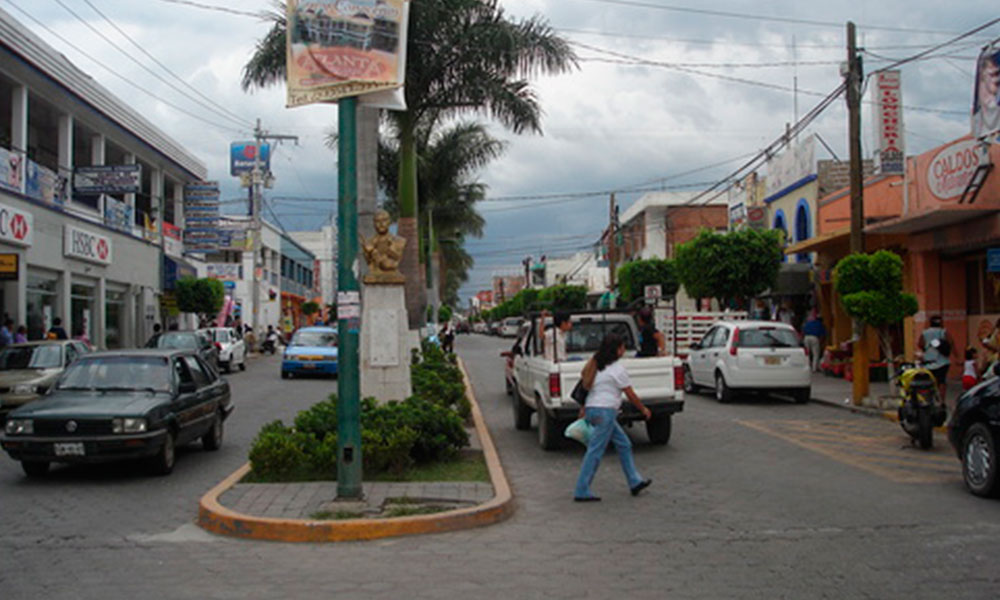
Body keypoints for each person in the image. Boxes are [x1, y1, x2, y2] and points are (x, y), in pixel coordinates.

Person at [573, 333, 653, 502]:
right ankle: (581, 489)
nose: (624, 350)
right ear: (617, 350)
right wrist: (643, 409)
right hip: (605, 412)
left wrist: (583, 409)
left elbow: (588, 388)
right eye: (623, 347)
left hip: (594, 409)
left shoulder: (596, 365)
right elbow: (630, 394)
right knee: (595, 451)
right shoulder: (617, 369)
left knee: (624, 444)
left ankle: (634, 481)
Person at [917, 315, 955, 409]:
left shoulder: (925, 333)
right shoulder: (943, 332)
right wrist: (956, 356)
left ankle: (928, 400)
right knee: (941, 382)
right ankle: (942, 401)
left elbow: (920, 344)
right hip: (943, 362)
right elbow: (951, 343)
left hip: (928, 362)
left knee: (929, 382)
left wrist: (927, 350)